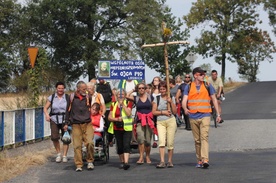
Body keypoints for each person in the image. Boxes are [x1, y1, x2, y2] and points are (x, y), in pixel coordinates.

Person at [182, 67, 221, 169]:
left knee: (204, 137)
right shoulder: (189, 86)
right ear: (195, 75)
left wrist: (218, 114)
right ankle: (199, 160)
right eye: (201, 74)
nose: (203, 76)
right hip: (193, 115)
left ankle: (205, 159)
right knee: (197, 140)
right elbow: (184, 99)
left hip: (205, 115)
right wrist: (185, 108)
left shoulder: (208, 86)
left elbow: (214, 99)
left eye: (204, 74)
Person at [64, 81, 94, 172]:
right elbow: (67, 111)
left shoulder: (89, 97)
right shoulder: (72, 97)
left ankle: (90, 161)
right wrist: (66, 123)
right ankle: (79, 164)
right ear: (78, 88)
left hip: (87, 123)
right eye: (84, 89)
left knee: (90, 143)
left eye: (86, 89)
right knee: (77, 145)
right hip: (76, 124)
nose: (86, 90)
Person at [126, 83, 155, 165]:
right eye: (139, 88)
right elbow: (127, 96)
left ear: (145, 89)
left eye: (143, 88)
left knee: (148, 141)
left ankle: (148, 156)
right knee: (140, 139)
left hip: (149, 121)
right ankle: (141, 157)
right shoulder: (136, 98)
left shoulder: (150, 97)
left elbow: (154, 106)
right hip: (139, 121)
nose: (141, 89)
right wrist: (133, 90)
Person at [152, 81, 177, 168]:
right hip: (160, 121)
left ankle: (169, 161)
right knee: (161, 141)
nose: (162, 91)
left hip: (170, 121)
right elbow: (154, 112)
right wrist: (163, 112)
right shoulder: (157, 98)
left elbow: (175, 111)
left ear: (167, 89)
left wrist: (171, 102)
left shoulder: (171, 97)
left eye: (164, 89)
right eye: (161, 89)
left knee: (170, 142)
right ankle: (162, 161)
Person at [43, 81, 70, 163]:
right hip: (54, 118)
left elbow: (70, 109)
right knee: (54, 137)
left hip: (65, 119)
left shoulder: (67, 97)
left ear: (64, 89)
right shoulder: (52, 97)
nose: (60, 90)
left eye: (62, 88)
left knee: (66, 138)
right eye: (59, 88)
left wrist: (68, 121)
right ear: (56, 89)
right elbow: (45, 108)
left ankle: (64, 155)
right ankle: (58, 154)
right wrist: (47, 115)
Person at [108, 89, 133, 170]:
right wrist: (116, 119)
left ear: (125, 95)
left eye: (122, 94)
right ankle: (122, 161)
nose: (121, 96)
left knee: (126, 145)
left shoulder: (128, 103)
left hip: (127, 128)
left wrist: (123, 105)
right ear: (116, 95)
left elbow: (129, 114)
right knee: (120, 146)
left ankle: (126, 162)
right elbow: (109, 117)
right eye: (119, 94)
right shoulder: (113, 104)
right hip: (117, 127)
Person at [96, 79, 115, 147]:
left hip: (103, 108)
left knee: (105, 124)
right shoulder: (109, 84)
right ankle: (110, 140)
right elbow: (114, 93)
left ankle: (106, 140)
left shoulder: (97, 85)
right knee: (108, 125)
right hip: (106, 108)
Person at [151, 76, 162, 148]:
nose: (155, 82)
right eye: (154, 80)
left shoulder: (162, 90)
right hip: (153, 109)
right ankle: (155, 140)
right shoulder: (151, 91)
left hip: (160, 108)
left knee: (160, 124)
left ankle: (163, 139)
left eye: (156, 80)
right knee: (154, 125)